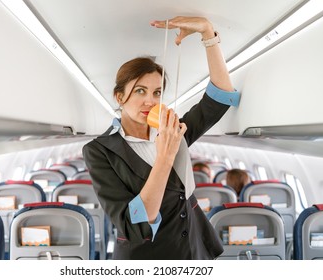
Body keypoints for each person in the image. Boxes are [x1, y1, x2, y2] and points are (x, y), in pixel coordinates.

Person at [83, 16, 240, 260]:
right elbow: (135, 223)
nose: (150, 101)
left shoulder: (173, 129)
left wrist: (208, 35)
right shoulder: (99, 151)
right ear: (119, 97)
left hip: (195, 249)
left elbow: (221, 98)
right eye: (140, 91)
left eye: (157, 92)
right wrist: (165, 156)